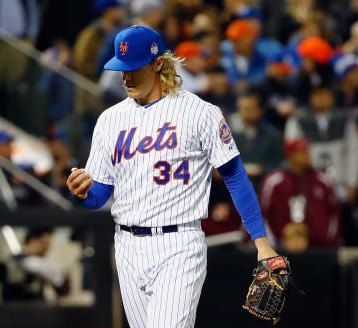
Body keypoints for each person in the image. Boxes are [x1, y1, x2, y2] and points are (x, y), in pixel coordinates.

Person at [67, 25, 281, 328]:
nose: (126, 77)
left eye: (134, 69)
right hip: (126, 246)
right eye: (121, 69)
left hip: (178, 244)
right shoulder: (109, 120)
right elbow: (100, 193)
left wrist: (261, 241)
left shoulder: (199, 112)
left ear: (158, 64)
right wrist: (83, 193)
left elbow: (234, 175)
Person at [260, 138, 342, 247]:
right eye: (301, 152)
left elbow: (335, 213)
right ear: (290, 156)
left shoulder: (322, 180)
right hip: (280, 246)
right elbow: (263, 214)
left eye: (306, 151)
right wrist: (271, 243)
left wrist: (329, 242)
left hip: (319, 246)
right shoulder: (274, 181)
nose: (306, 155)